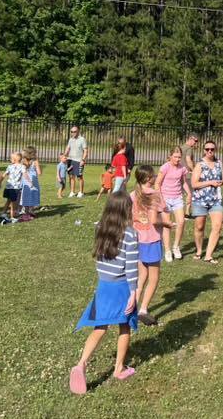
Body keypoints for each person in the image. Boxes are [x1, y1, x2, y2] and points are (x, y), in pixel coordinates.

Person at [69, 190, 139, 394]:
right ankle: (118, 368)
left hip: (104, 285)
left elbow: (99, 258)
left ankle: (81, 363)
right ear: (127, 209)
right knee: (124, 326)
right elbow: (132, 267)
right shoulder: (131, 234)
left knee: (100, 327)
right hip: (122, 287)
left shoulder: (101, 228)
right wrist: (133, 293)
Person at [132, 165, 175, 326]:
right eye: (154, 175)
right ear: (149, 178)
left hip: (138, 240)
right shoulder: (155, 195)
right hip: (151, 240)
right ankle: (143, 309)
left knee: (141, 277)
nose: (156, 176)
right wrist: (167, 224)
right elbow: (154, 220)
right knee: (154, 278)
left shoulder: (132, 195)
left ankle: (132, 307)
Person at [191, 140, 223, 264]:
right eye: (207, 149)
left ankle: (208, 255)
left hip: (216, 199)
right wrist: (210, 182)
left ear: (215, 150)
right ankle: (199, 250)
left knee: (217, 226)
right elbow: (194, 184)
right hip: (200, 199)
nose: (210, 151)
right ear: (204, 150)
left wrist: (219, 182)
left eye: (212, 149)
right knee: (199, 226)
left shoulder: (219, 163)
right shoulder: (200, 165)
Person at [156, 146, 190, 261]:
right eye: (175, 157)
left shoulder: (182, 168)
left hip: (177, 198)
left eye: (179, 157)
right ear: (170, 156)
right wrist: (161, 200)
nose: (177, 159)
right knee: (167, 225)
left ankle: (176, 247)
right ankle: (167, 250)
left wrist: (189, 194)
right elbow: (157, 184)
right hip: (165, 198)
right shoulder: (165, 167)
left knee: (181, 222)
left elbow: (184, 183)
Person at [63, 126, 87, 198]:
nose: (73, 133)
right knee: (71, 176)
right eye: (71, 132)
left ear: (78, 131)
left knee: (79, 177)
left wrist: (83, 160)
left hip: (79, 161)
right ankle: (72, 192)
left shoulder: (82, 139)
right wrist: (65, 156)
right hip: (70, 160)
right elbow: (68, 148)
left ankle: (81, 192)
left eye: (74, 131)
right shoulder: (70, 139)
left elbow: (85, 150)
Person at [2, 152, 25, 222]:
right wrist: (30, 183)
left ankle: (3, 213)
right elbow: (25, 175)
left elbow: (4, 174)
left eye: (11, 158)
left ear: (15, 160)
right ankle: (12, 217)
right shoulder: (22, 166)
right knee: (14, 203)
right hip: (15, 188)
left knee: (9, 201)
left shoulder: (10, 166)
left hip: (8, 187)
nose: (10, 159)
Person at [20, 146, 41, 218]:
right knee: (33, 195)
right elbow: (39, 172)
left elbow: (22, 171)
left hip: (25, 181)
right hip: (33, 181)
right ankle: (31, 210)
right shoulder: (35, 161)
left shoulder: (23, 161)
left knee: (25, 195)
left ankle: (25, 211)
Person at [183, 134, 200, 216]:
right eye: (195, 141)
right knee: (190, 193)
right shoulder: (189, 149)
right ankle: (187, 212)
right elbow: (188, 160)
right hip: (187, 174)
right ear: (190, 139)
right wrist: (194, 171)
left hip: (180, 174)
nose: (196, 143)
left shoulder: (180, 147)